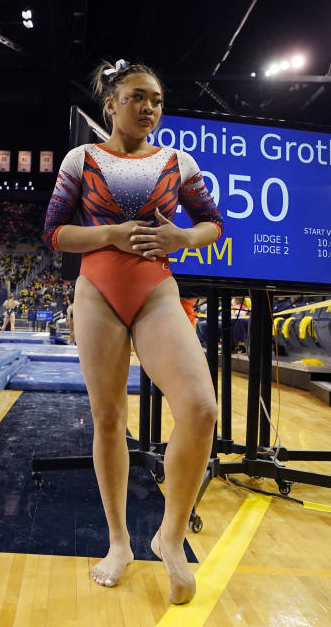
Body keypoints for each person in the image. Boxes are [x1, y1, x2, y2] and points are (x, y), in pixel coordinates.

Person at [42, 59, 223, 604]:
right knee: (108, 419)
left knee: (200, 407)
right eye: (138, 96)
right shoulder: (82, 158)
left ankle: (169, 535)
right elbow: (55, 233)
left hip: (156, 291)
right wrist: (113, 234)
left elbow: (215, 224)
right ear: (112, 103)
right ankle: (118, 542)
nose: (149, 107)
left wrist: (184, 240)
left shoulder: (178, 161)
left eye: (158, 100)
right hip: (97, 291)